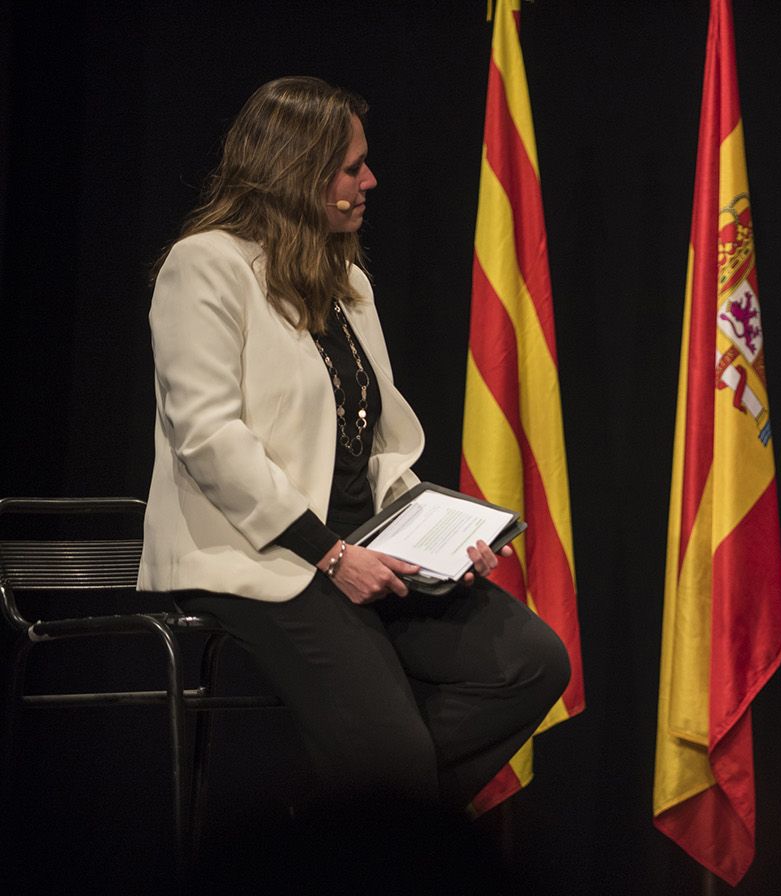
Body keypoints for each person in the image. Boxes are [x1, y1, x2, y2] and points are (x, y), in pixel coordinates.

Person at [138, 76, 569, 813]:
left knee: (531, 663)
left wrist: (436, 543)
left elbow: (378, 442)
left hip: (360, 546)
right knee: (393, 761)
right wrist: (330, 554)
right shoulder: (205, 265)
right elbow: (208, 438)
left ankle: (345, 826)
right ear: (296, 172)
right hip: (259, 556)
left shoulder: (347, 283)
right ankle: (370, 824)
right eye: (351, 167)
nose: (369, 181)